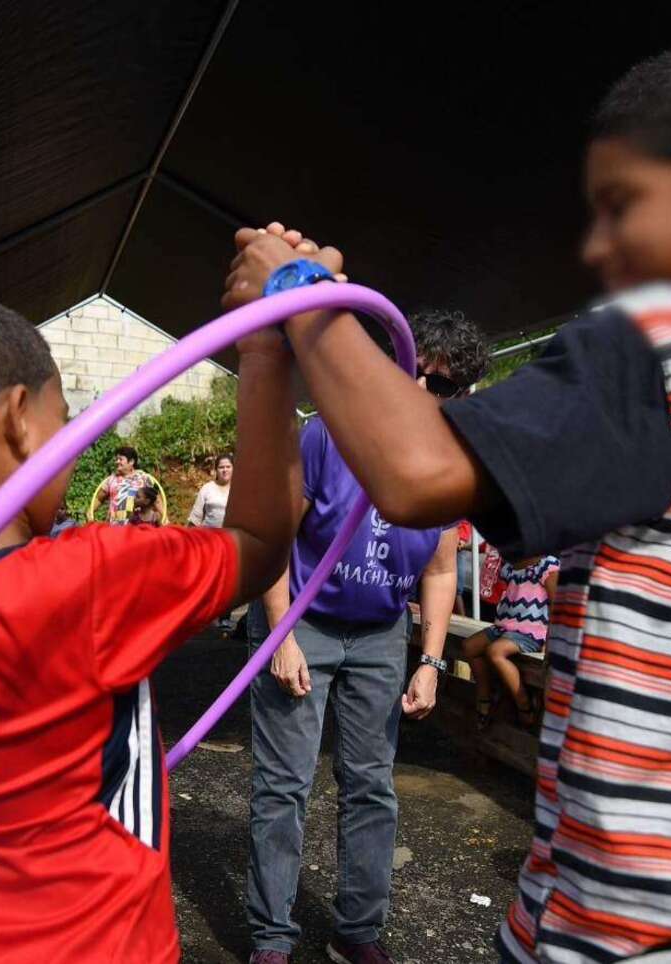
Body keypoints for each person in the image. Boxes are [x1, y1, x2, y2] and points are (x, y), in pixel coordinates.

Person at [223, 38, 671, 962]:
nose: (596, 246)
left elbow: (415, 474)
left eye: (624, 204)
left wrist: (299, 293)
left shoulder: (659, 355)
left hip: (621, 939)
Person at [0, 288, 299, 962]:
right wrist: (264, 345)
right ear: (20, 420)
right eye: (67, 419)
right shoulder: (95, 577)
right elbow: (259, 541)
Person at [243, 307, 486, 964]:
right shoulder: (328, 436)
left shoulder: (446, 462)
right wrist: (281, 637)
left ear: (460, 395)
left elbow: (439, 571)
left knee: (371, 784)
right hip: (303, 617)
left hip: (380, 631)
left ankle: (357, 930)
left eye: (444, 388)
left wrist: (431, 660)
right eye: (418, 376)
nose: (426, 395)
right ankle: (271, 938)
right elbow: (273, 540)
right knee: (285, 782)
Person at [460, 554, 557, 729]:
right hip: (504, 626)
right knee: (469, 646)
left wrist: (548, 643)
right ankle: (485, 695)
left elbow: (556, 604)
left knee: (495, 652)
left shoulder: (547, 565)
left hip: (531, 632)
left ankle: (524, 704)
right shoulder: (511, 564)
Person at [87, 445, 167, 524]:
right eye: (117, 459)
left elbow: (156, 500)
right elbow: (99, 498)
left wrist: (165, 518)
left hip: (138, 528)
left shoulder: (143, 478)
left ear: (131, 462)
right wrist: (90, 512)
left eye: (120, 459)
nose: (117, 462)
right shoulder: (111, 479)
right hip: (115, 529)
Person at [188, 454, 233, 528]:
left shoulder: (238, 490)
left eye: (228, 467)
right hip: (208, 536)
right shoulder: (207, 488)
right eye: (221, 467)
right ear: (216, 470)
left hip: (229, 536)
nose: (225, 470)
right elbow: (195, 518)